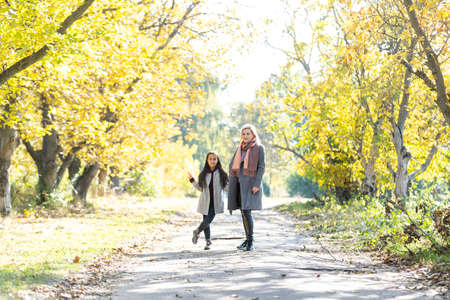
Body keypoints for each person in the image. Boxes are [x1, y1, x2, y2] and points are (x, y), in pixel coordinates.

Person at [228, 124, 265, 251]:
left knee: (247, 211)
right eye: (243, 134)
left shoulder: (259, 148)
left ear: (253, 135)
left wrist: (257, 184)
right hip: (238, 184)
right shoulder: (239, 149)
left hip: (250, 184)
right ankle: (247, 239)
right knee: (243, 211)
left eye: (248, 133)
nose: (245, 136)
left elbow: (261, 167)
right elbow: (232, 165)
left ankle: (250, 242)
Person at [188, 151, 229, 250]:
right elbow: (200, 188)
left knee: (208, 219)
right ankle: (208, 241)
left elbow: (227, 188)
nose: (212, 161)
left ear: (217, 160)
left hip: (216, 202)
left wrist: (234, 182)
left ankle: (197, 231)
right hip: (205, 201)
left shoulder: (222, 174)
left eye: (214, 159)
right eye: (210, 159)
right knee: (206, 220)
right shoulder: (203, 174)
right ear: (207, 160)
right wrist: (192, 180)